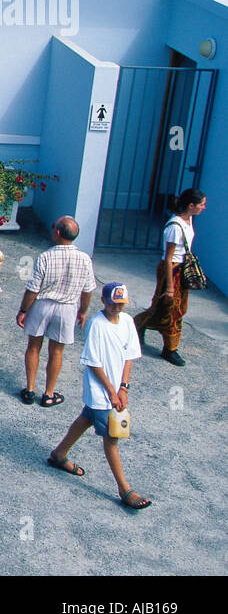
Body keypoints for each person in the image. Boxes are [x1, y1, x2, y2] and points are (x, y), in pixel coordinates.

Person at [47, 283, 151, 511]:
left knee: (85, 419)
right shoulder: (95, 324)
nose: (117, 308)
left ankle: (59, 454)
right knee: (112, 438)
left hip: (114, 391)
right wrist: (112, 392)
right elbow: (93, 362)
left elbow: (129, 356)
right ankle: (124, 489)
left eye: (121, 304)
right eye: (113, 303)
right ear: (104, 301)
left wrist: (123, 387)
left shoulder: (127, 322)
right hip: (100, 391)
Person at [16, 216, 97, 405]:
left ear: (58, 232)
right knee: (57, 352)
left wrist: (23, 310)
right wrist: (83, 311)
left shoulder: (46, 256)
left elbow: (33, 289)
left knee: (34, 346)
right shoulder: (85, 259)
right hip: (67, 307)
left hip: (43, 304)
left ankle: (30, 389)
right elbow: (87, 290)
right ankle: (49, 393)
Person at [134, 188, 208, 367]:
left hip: (181, 270)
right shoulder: (175, 226)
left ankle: (138, 325)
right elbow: (168, 258)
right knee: (171, 309)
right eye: (201, 204)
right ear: (191, 205)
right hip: (171, 271)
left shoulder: (188, 219)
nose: (203, 208)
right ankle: (170, 349)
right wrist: (169, 287)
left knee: (174, 308)